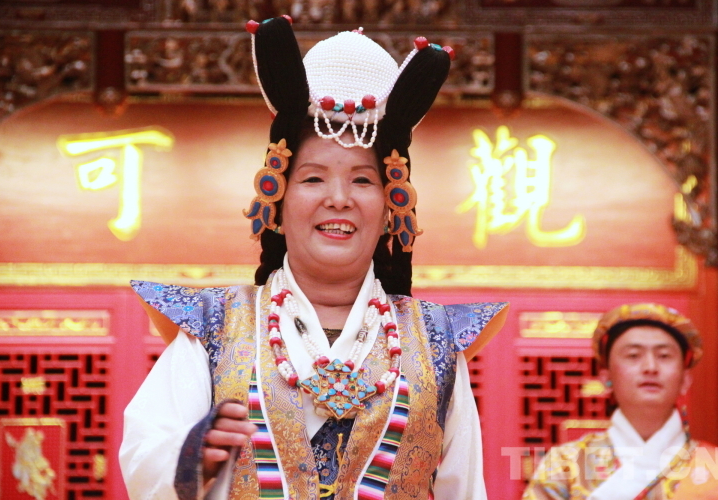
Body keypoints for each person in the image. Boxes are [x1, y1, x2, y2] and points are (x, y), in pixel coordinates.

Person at [119, 16, 509, 500]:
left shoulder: (434, 343)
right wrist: (194, 457)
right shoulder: (215, 326)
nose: (338, 199)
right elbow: (146, 456)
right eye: (313, 178)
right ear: (277, 201)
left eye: (362, 180)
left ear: (391, 208)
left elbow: (464, 489)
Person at [522, 303, 718, 500]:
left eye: (664, 356)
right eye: (633, 355)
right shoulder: (564, 464)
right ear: (606, 378)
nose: (650, 367)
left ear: (685, 380)